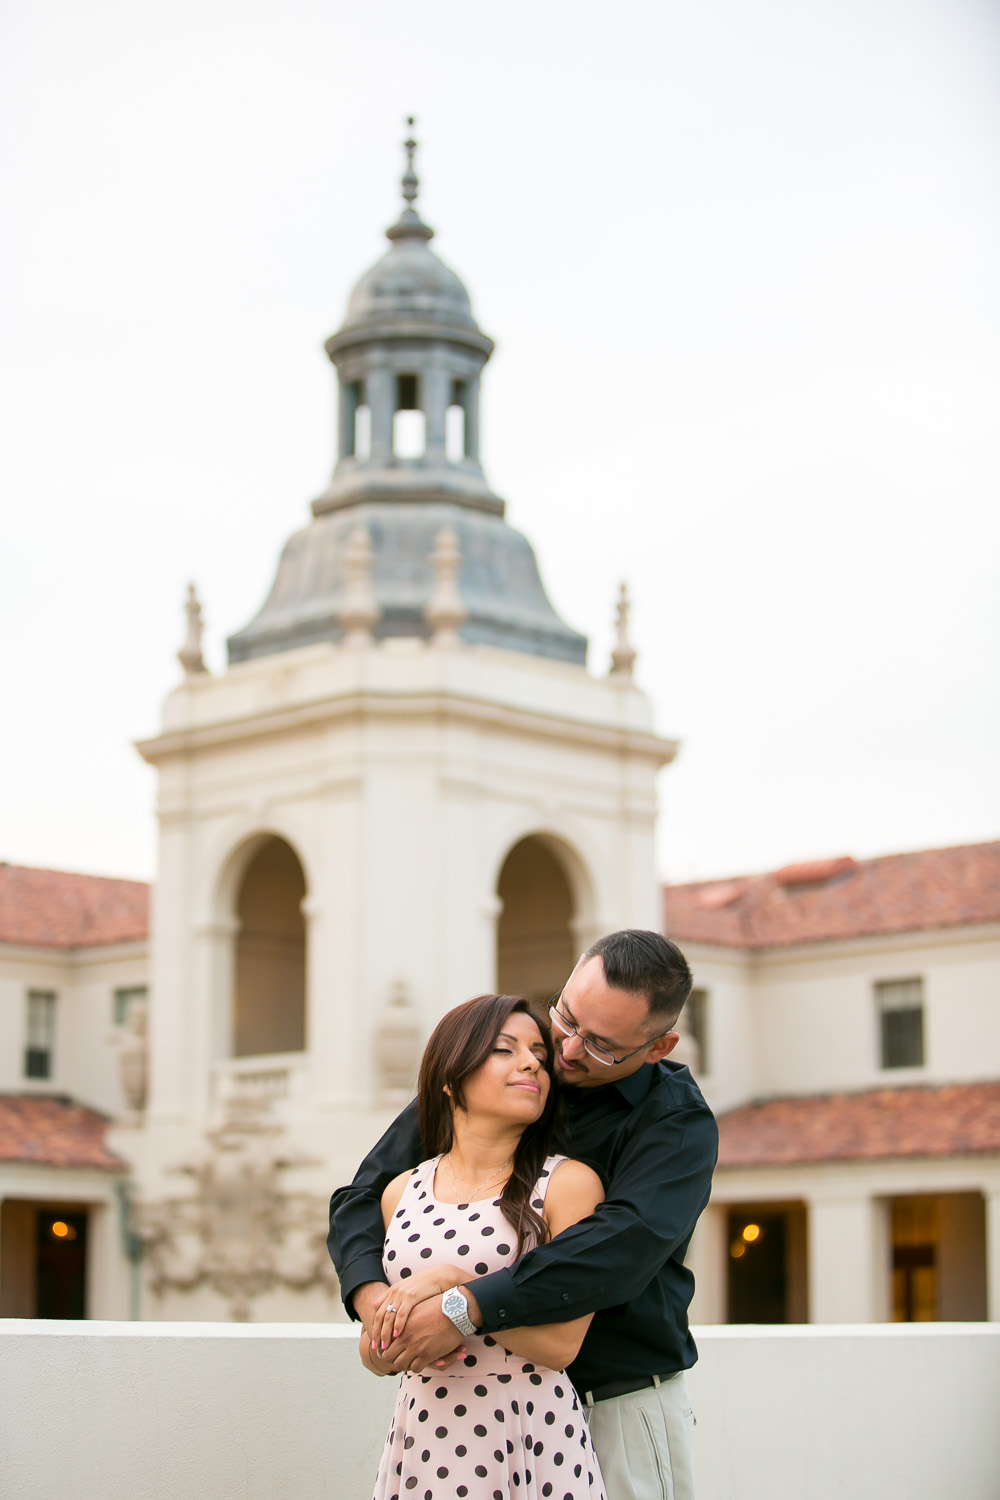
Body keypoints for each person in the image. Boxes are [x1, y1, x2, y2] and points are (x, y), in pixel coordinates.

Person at [331, 930, 718, 1500]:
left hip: (614, 1406)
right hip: (467, 1422)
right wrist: (379, 1306)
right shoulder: (509, 1072)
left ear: (658, 1048)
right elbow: (363, 1196)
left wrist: (462, 1303)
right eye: (566, 1018)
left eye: (602, 1045)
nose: (565, 1051)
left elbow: (615, 1252)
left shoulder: (676, 1124)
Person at [365, 990, 609, 1500]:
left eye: (540, 1055)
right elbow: (379, 1350)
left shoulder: (568, 1185)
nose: (532, 1064)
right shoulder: (400, 1191)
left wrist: (453, 1287)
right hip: (425, 1439)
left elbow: (561, 1347)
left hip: (529, 1435)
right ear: (452, 1078)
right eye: (505, 1049)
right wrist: (384, 1342)